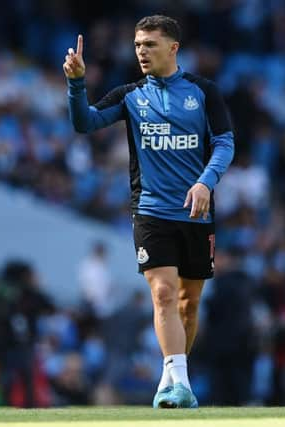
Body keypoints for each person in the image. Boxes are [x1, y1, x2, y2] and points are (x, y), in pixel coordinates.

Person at [63, 15, 234, 408]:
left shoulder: (203, 92)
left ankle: (173, 376)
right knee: (163, 293)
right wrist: (76, 83)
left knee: (189, 304)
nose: (141, 51)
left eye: (150, 44)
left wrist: (205, 182)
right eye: (138, 44)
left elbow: (224, 143)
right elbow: (85, 123)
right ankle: (179, 385)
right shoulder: (130, 94)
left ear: (173, 48)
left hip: (195, 211)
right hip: (151, 209)